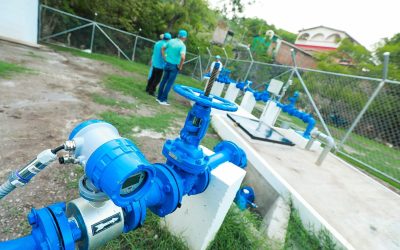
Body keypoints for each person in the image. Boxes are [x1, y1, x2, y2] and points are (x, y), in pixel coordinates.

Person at [156, 29, 187, 105]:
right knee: (169, 83)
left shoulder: (171, 41)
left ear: (178, 35)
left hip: (167, 64)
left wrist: (164, 57)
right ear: (184, 38)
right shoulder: (182, 45)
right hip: (174, 66)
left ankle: (159, 97)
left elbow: (162, 48)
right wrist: (180, 66)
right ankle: (163, 100)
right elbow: (183, 57)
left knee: (163, 81)